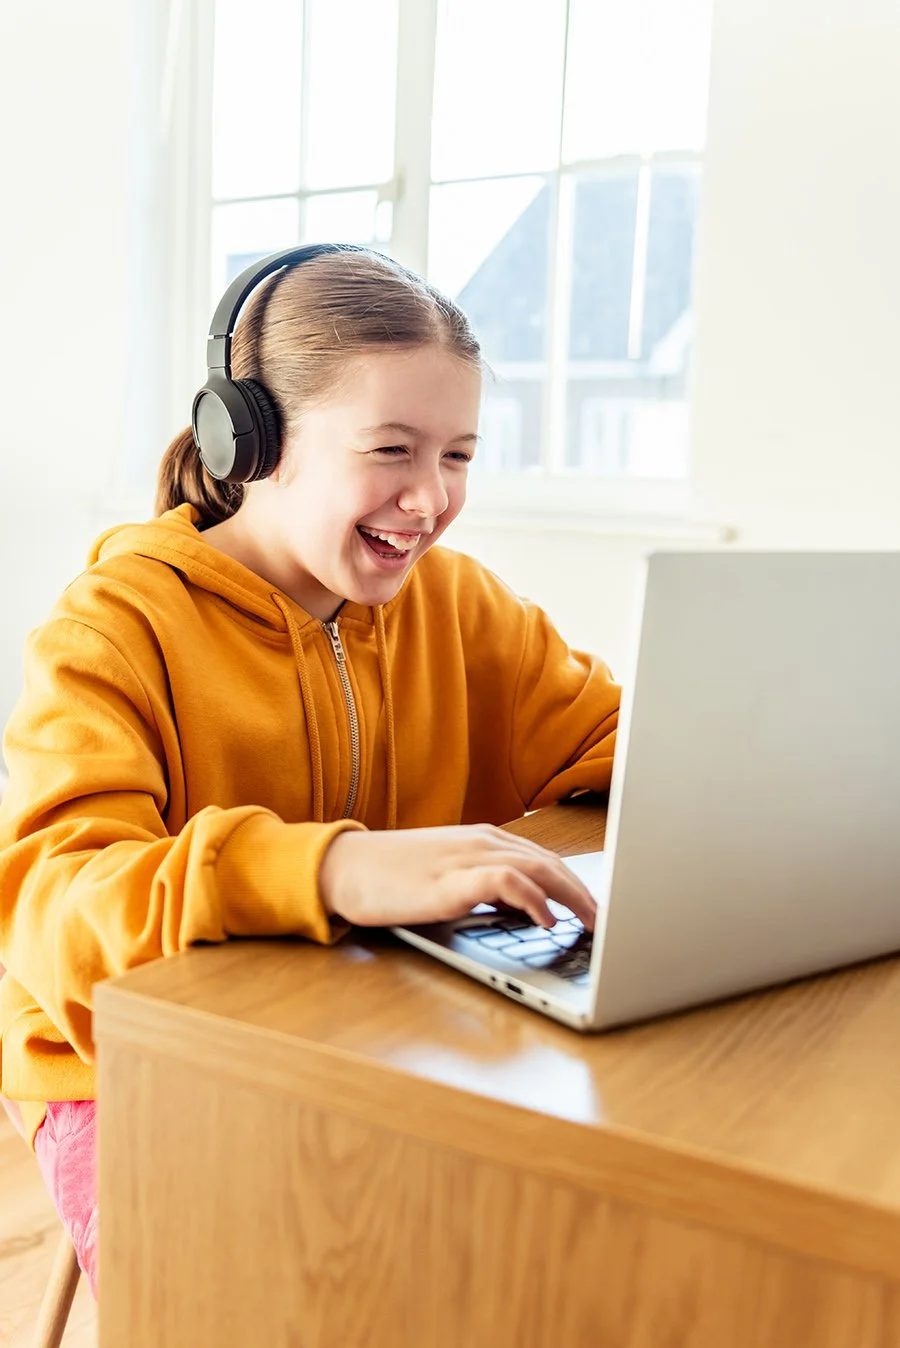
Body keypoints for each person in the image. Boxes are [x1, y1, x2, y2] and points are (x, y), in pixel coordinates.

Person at [0, 244, 620, 1298]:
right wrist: (334, 871)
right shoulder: (113, 626)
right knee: (260, 1290)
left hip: (378, 1021)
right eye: (393, 450)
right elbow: (54, 915)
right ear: (249, 437)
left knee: (538, 1252)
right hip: (130, 1063)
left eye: (459, 455)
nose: (429, 498)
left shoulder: (462, 608)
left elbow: (613, 745)